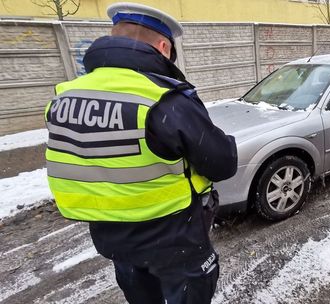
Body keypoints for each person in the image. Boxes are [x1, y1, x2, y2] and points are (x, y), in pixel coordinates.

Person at [44, 2, 237, 303]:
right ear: (163, 46)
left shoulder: (63, 98)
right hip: (173, 238)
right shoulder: (163, 99)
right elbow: (222, 163)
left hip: (113, 238)